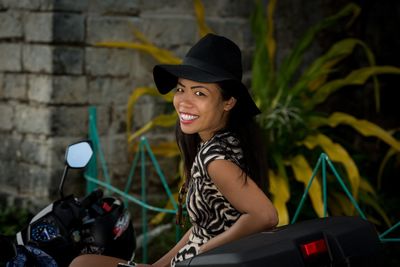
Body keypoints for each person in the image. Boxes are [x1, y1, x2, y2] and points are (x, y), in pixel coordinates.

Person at [69, 33, 278, 267]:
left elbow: (265, 216)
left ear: (228, 102)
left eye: (200, 93)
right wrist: (159, 266)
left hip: (204, 263)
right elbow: (202, 230)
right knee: (84, 262)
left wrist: (205, 252)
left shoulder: (216, 159)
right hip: (189, 261)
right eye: (181, 89)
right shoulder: (223, 142)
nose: (184, 101)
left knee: (82, 264)